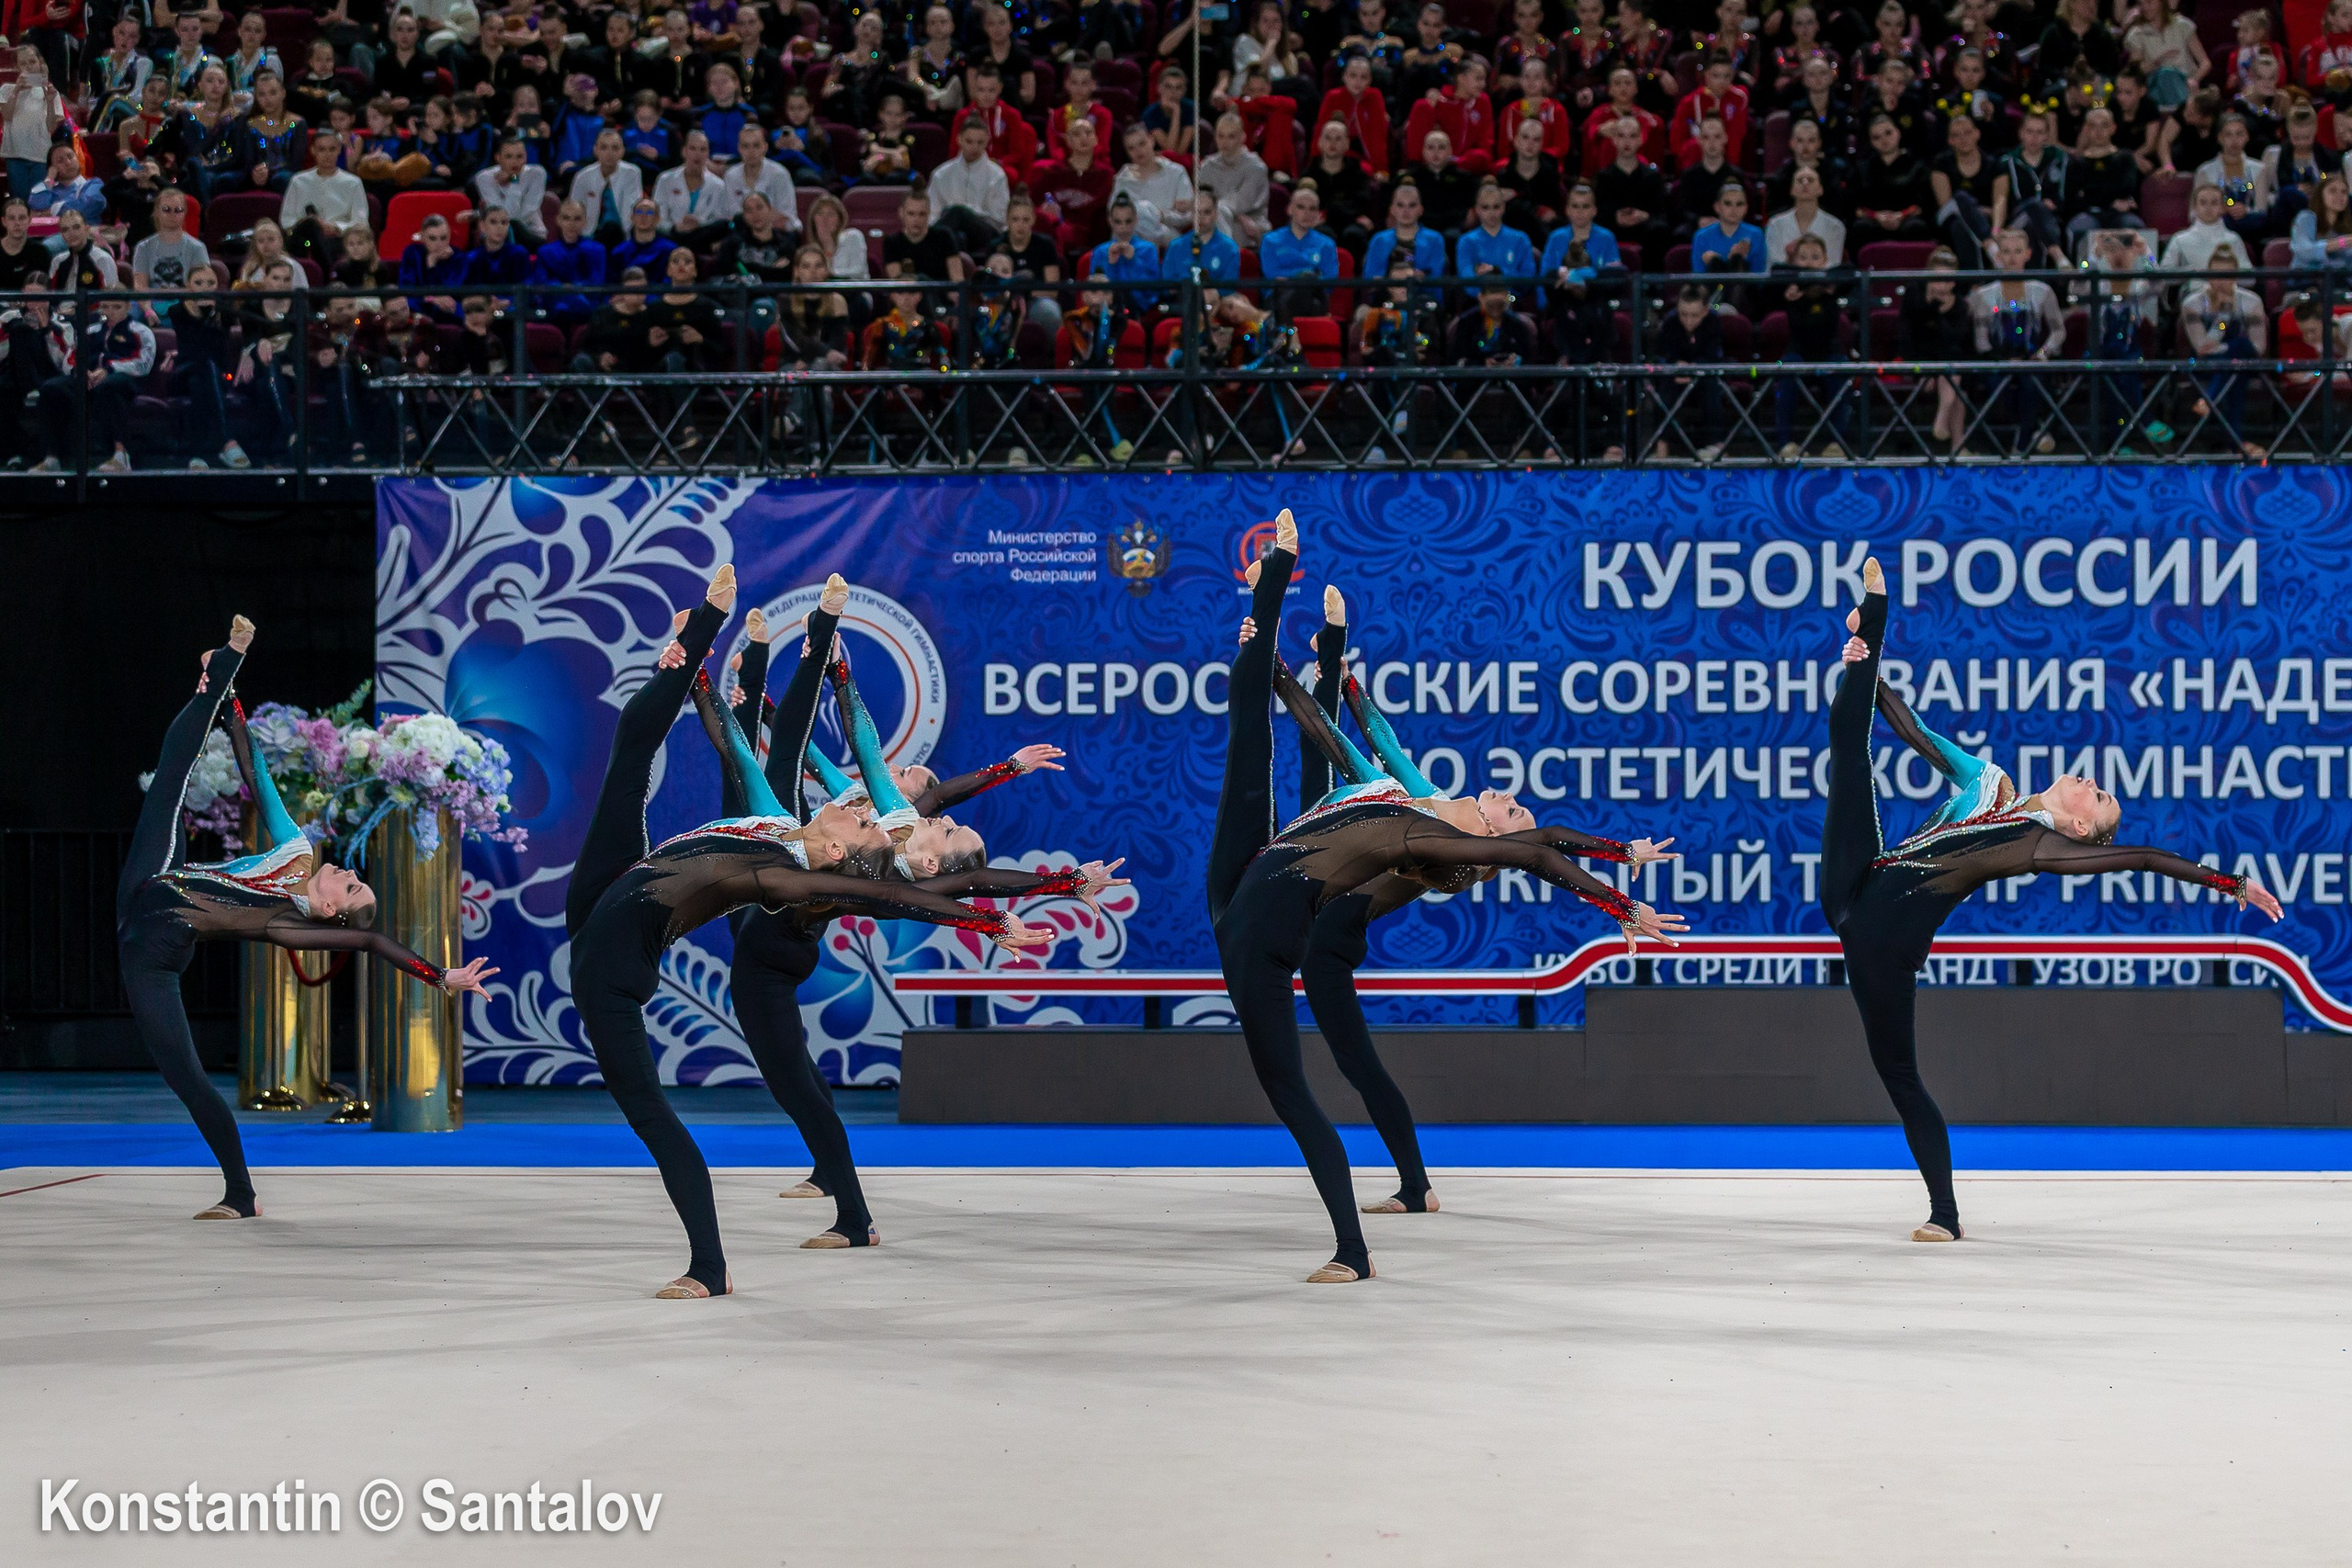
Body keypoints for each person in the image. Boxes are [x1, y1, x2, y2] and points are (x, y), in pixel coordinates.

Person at [1205, 513, 1680, 1283]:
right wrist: (1313, 664)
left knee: (1329, 1070)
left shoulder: (1436, 845)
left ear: (1487, 833)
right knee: (1280, 751)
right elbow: (1356, 741)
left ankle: (1365, 1235)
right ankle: (1414, 1184)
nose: (1506, 794)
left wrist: (1620, 891)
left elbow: (1537, 845)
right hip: (1273, 883)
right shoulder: (1414, 796)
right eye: (1508, 798)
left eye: (1510, 805)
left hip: (1316, 927)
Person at [564, 570, 1046, 1297]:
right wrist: (705, 672)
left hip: (616, 967)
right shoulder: (778, 823)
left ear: (832, 851)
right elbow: (763, 742)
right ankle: (695, 634)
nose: (851, 804)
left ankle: (711, 1266)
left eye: (854, 819)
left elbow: (890, 894)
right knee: (631, 748)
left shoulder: (792, 874)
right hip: (605, 899)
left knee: (658, 1117)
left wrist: (992, 914)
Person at [1824, 558, 2278, 1243]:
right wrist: (1867, 669)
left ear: (2077, 829)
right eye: (2096, 787)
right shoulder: (1986, 779)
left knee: (1900, 1077)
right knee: (1849, 752)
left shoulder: (2041, 846)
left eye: (2096, 800)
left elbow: (2149, 858)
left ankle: (1944, 1213)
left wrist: (2230, 882)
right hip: (1854, 885)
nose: (2090, 785)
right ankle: (1873, 626)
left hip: (1885, 947)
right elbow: (1911, 729)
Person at [119, 619, 496, 1218]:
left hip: (152, 952)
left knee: (187, 1075)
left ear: (328, 910)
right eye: (353, 875)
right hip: (150, 882)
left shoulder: (286, 924)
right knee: (171, 777)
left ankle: (241, 1193)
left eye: (350, 886)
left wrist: (441, 976)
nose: (347, 872)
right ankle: (217, 673)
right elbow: (256, 773)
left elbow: (370, 941)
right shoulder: (296, 849)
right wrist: (230, 693)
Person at [1769, 231, 1854, 457]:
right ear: (1795, 261)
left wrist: (1826, 282)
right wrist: (1801, 283)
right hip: (1799, 352)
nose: (1809, 262)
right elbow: (1775, 270)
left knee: (1842, 368)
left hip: (1829, 352)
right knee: (1787, 369)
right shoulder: (1790, 284)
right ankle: (1786, 444)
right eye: (1803, 257)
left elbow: (1850, 270)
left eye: (1816, 257)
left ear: (1825, 260)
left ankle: (1836, 443)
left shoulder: (1832, 283)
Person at [2181, 252, 2269, 459]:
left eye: (2228, 276)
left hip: (2245, 359)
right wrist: (2223, 318)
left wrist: (2226, 340)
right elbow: (2201, 346)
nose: (2222, 282)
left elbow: (2258, 346)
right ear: (2209, 276)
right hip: (2208, 363)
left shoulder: (2251, 301)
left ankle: (2208, 401)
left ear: (2236, 277)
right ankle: (2236, 443)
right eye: (2218, 275)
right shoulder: (2192, 303)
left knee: (2240, 347)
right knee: (2234, 369)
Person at [1900, 245, 1974, 456]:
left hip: (1948, 362)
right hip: (1916, 360)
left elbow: (1954, 341)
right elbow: (1906, 336)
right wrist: (1921, 370)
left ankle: (1954, 440)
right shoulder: (1914, 294)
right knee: (1953, 375)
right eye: (1937, 279)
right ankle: (1957, 443)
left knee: (1956, 376)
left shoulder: (1959, 304)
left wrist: (1940, 312)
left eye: (1948, 281)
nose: (1942, 286)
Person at [282, 129, 369, 257]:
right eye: (322, 149)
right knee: (309, 228)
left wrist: (336, 228)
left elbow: (361, 221)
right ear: (313, 151)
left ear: (339, 150)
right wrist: (312, 226)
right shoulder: (298, 181)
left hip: (339, 239)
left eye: (332, 149)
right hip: (305, 240)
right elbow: (287, 220)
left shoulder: (353, 182)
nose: (327, 155)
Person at [1195, 110, 1272, 243]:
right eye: (1221, 136)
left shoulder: (1256, 167)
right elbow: (1203, 201)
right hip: (1213, 221)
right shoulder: (1207, 166)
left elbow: (1242, 204)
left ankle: (1226, 255)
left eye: (1231, 137)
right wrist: (1237, 216)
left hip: (1250, 224)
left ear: (1243, 137)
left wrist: (1236, 215)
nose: (1225, 142)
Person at [1, 44, 65, 201]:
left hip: (41, 156)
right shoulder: (7, 89)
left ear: (39, 62)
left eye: (32, 62)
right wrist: (16, 90)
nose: (28, 67)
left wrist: (49, 101)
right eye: (23, 64)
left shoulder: (50, 92)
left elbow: (52, 126)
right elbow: (7, 116)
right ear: (17, 67)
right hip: (15, 154)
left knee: (39, 202)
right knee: (20, 199)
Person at [1766, 164, 1847, 265]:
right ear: (1792, 190)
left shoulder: (1835, 226)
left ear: (1820, 189)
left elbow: (1832, 266)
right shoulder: (1775, 224)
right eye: (1800, 180)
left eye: (1810, 180)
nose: (1805, 183)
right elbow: (1774, 266)